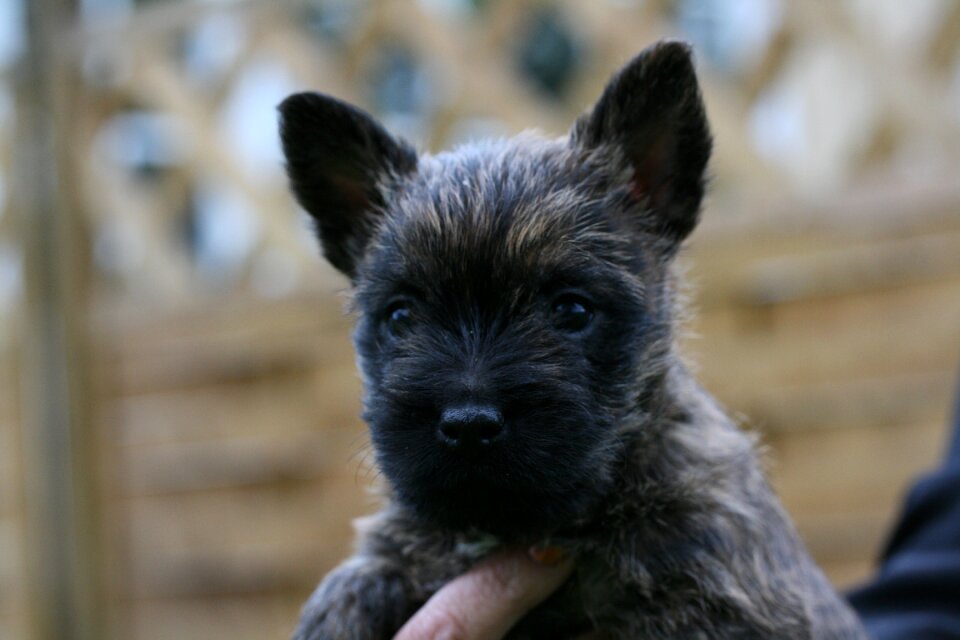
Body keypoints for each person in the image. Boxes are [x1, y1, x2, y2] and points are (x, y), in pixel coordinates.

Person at [396, 376, 960, 640]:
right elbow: (941, 587)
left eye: (570, 311)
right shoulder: (394, 550)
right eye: (401, 319)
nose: (470, 404)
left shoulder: (693, 510)